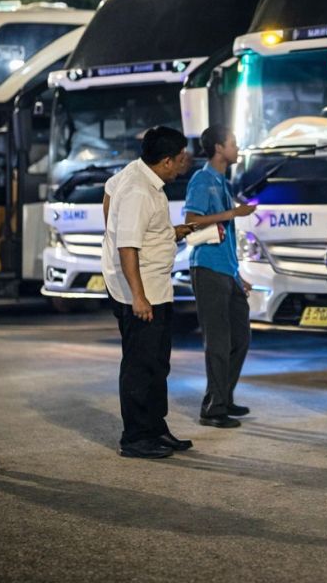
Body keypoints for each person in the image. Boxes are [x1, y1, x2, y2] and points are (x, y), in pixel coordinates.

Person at [102, 126, 194, 459]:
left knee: (158, 363)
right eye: (181, 158)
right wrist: (138, 297)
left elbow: (108, 192)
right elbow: (128, 247)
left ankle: (156, 428)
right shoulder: (140, 190)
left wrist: (166, 233)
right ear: (166, 161)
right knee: (141, 366)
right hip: (142, 293)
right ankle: (136, 438)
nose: (184, 164)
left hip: (157, 285)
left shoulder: (136, 173)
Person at [183, 125, 256, 428]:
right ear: (218, 148)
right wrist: (232, 214)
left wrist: (239, 276)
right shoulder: (202, 180)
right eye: (233, 143)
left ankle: (224, 397)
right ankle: (213, 409)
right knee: (218, 342)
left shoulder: (222, 182)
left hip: (226, 270)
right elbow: (191, 221)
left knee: (241, 337)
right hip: (208, 268)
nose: (237, 148)